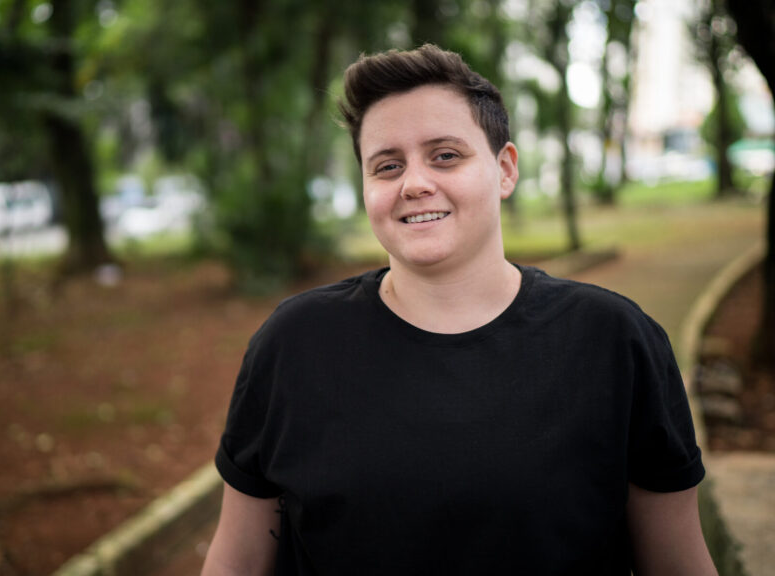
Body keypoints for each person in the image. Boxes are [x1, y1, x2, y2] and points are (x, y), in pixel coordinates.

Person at [201, 44, 717, 575]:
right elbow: (236, 561)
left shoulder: (614, 340)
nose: (415, 183)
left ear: (506, 169)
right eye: (387, 165)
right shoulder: (293, 344)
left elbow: (679, 564)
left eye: (445, 155)